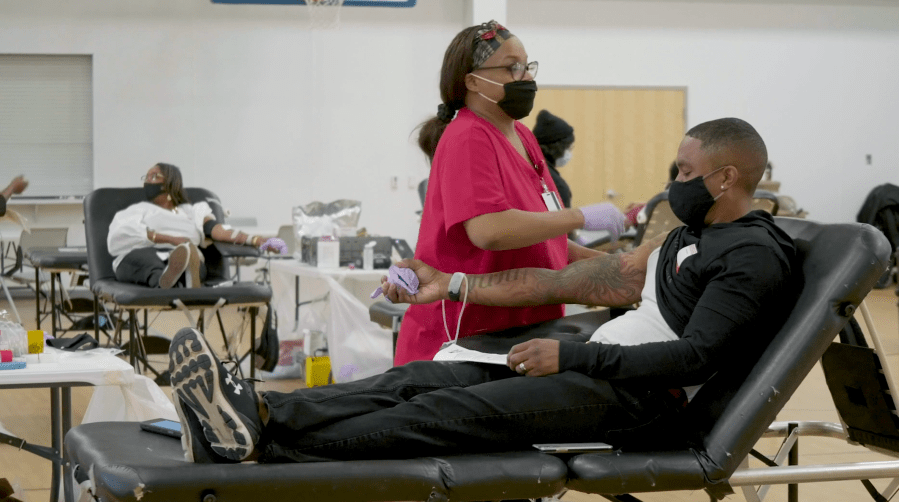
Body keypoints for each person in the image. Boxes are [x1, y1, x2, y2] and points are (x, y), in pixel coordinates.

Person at [169, 117, 797, 465]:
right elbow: (571, 277)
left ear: (726, 177)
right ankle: (261, 412)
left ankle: (262, 449)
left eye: (685, 172)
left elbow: (695, 359)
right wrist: (454, 283)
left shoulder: (752, 255)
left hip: (646, 400)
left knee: (446, 416)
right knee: (424, 380)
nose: (675, 183)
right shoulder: (684, 234)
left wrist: (574, 356)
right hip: (608, 366)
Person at [400, 20, 627, 365]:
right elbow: (489, 231)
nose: (526, 77)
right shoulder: (468, 137)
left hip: (521, 331)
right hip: (465, 337)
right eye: (512, 68)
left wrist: (624, 268)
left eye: (527, 66)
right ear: (474, 81)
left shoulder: (523, 136)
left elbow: (545, 244)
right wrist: (579, 216)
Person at [108, 163, 285, 289]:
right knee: (152, 265)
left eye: (154, 176)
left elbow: (218, 230)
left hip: (185, 255)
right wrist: (170, 239)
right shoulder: (139, 210)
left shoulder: (193, 211)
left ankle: (179, 277)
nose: (148, 181)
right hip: (144, 253)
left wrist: (257, 240)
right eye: (146, 177)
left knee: (191, 259)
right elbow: (119, 235)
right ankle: (168, 281)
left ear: (170, 182)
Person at [533, 109, 575, 208]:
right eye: (568, 148)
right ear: (557, 147)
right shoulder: (553, 184)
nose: (569, 153)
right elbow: (558, 220)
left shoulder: (530, 168)